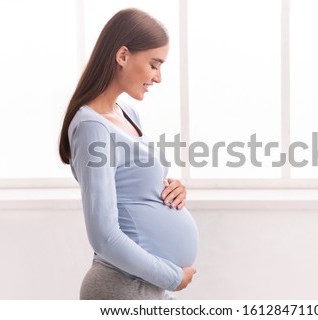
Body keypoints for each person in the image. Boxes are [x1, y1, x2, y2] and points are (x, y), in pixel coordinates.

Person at [58, 8, 198, 299]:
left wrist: (173, 190)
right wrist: (172, 276)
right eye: (154, 64)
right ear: (122, 56)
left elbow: (132, 186)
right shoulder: (90, 127)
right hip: (121, 286)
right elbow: (104, 236)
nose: (158, 78)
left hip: (146, 286)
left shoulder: (127, 112)